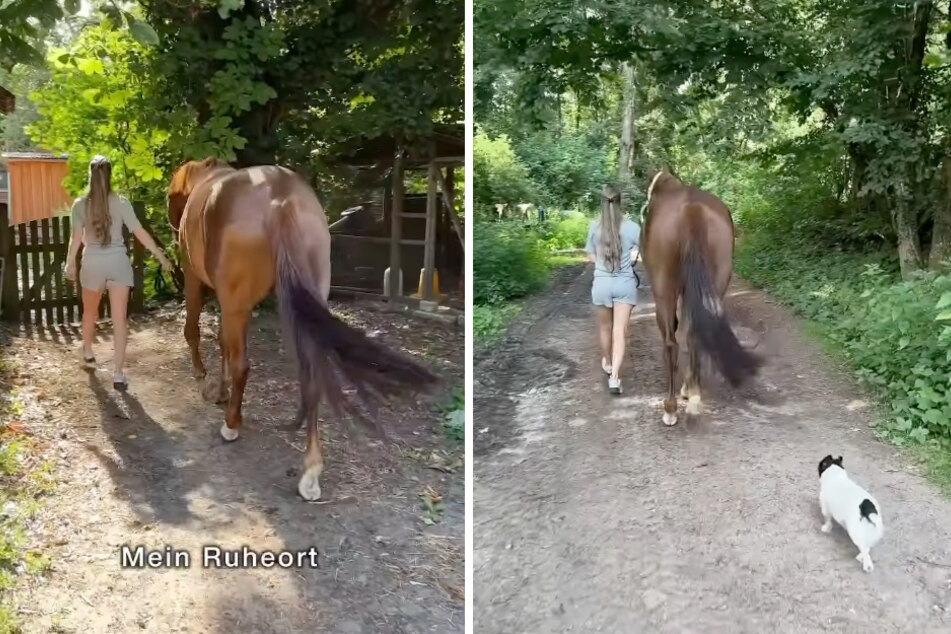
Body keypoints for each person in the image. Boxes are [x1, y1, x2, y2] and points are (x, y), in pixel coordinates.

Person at [65, 155, 172, 391]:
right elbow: (139, 232)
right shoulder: (122, 202)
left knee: (90, 313)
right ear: (110, 174)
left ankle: (88, 351)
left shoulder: (79, 204)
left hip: (92, 263)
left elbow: (75, 240)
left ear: (90, 175)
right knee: (119, 320)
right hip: (118, 263)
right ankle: (118, 374)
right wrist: (161, 255)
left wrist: (70, 262)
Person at [585, 184, 641, 395]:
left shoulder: (594, 226)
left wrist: (600, 262)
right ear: (619, 202)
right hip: (624, 284)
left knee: (605, 329)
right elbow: (645, 247)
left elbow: (589, 253)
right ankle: (615, 378)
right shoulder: (632, 227)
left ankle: (607, 363)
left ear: (602, 201)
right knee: (620, 332)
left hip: (601, 283)